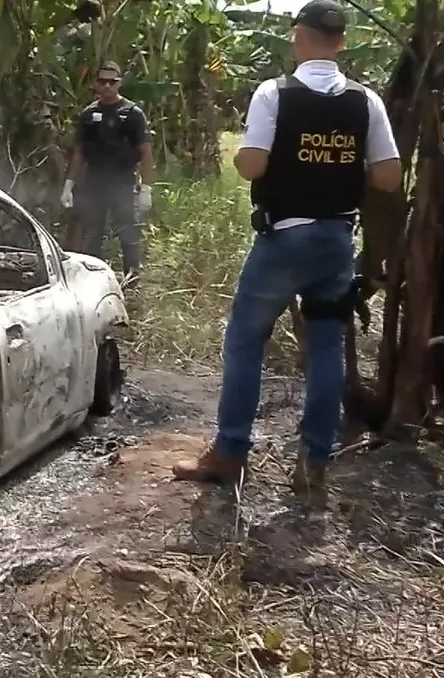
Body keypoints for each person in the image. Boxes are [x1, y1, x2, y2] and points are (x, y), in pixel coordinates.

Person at [171, 0, 402, 494]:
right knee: (325, 349)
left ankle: (230, 452)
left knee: (245, 340)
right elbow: (388, 175)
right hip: (337, 240)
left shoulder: (274, 93)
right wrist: (340, 162)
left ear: (298, 38)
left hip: (284, 238)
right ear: (341, 43)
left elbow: (252, 165)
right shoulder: (367, 101)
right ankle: (314, 461)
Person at [61, 61, 154, 282]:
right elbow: (79, 153)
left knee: (128, 232)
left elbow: (146, 153)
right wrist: (68, 186)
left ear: (120, 83)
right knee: (92, 233)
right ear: (96, 83)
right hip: (94, 181)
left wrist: (146, 188)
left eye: (112, 82)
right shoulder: (88, 114)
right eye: (102, 81)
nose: (107, 86)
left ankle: (132, 277)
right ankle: (94, 279)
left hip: (122, 181)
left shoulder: (133, 114)